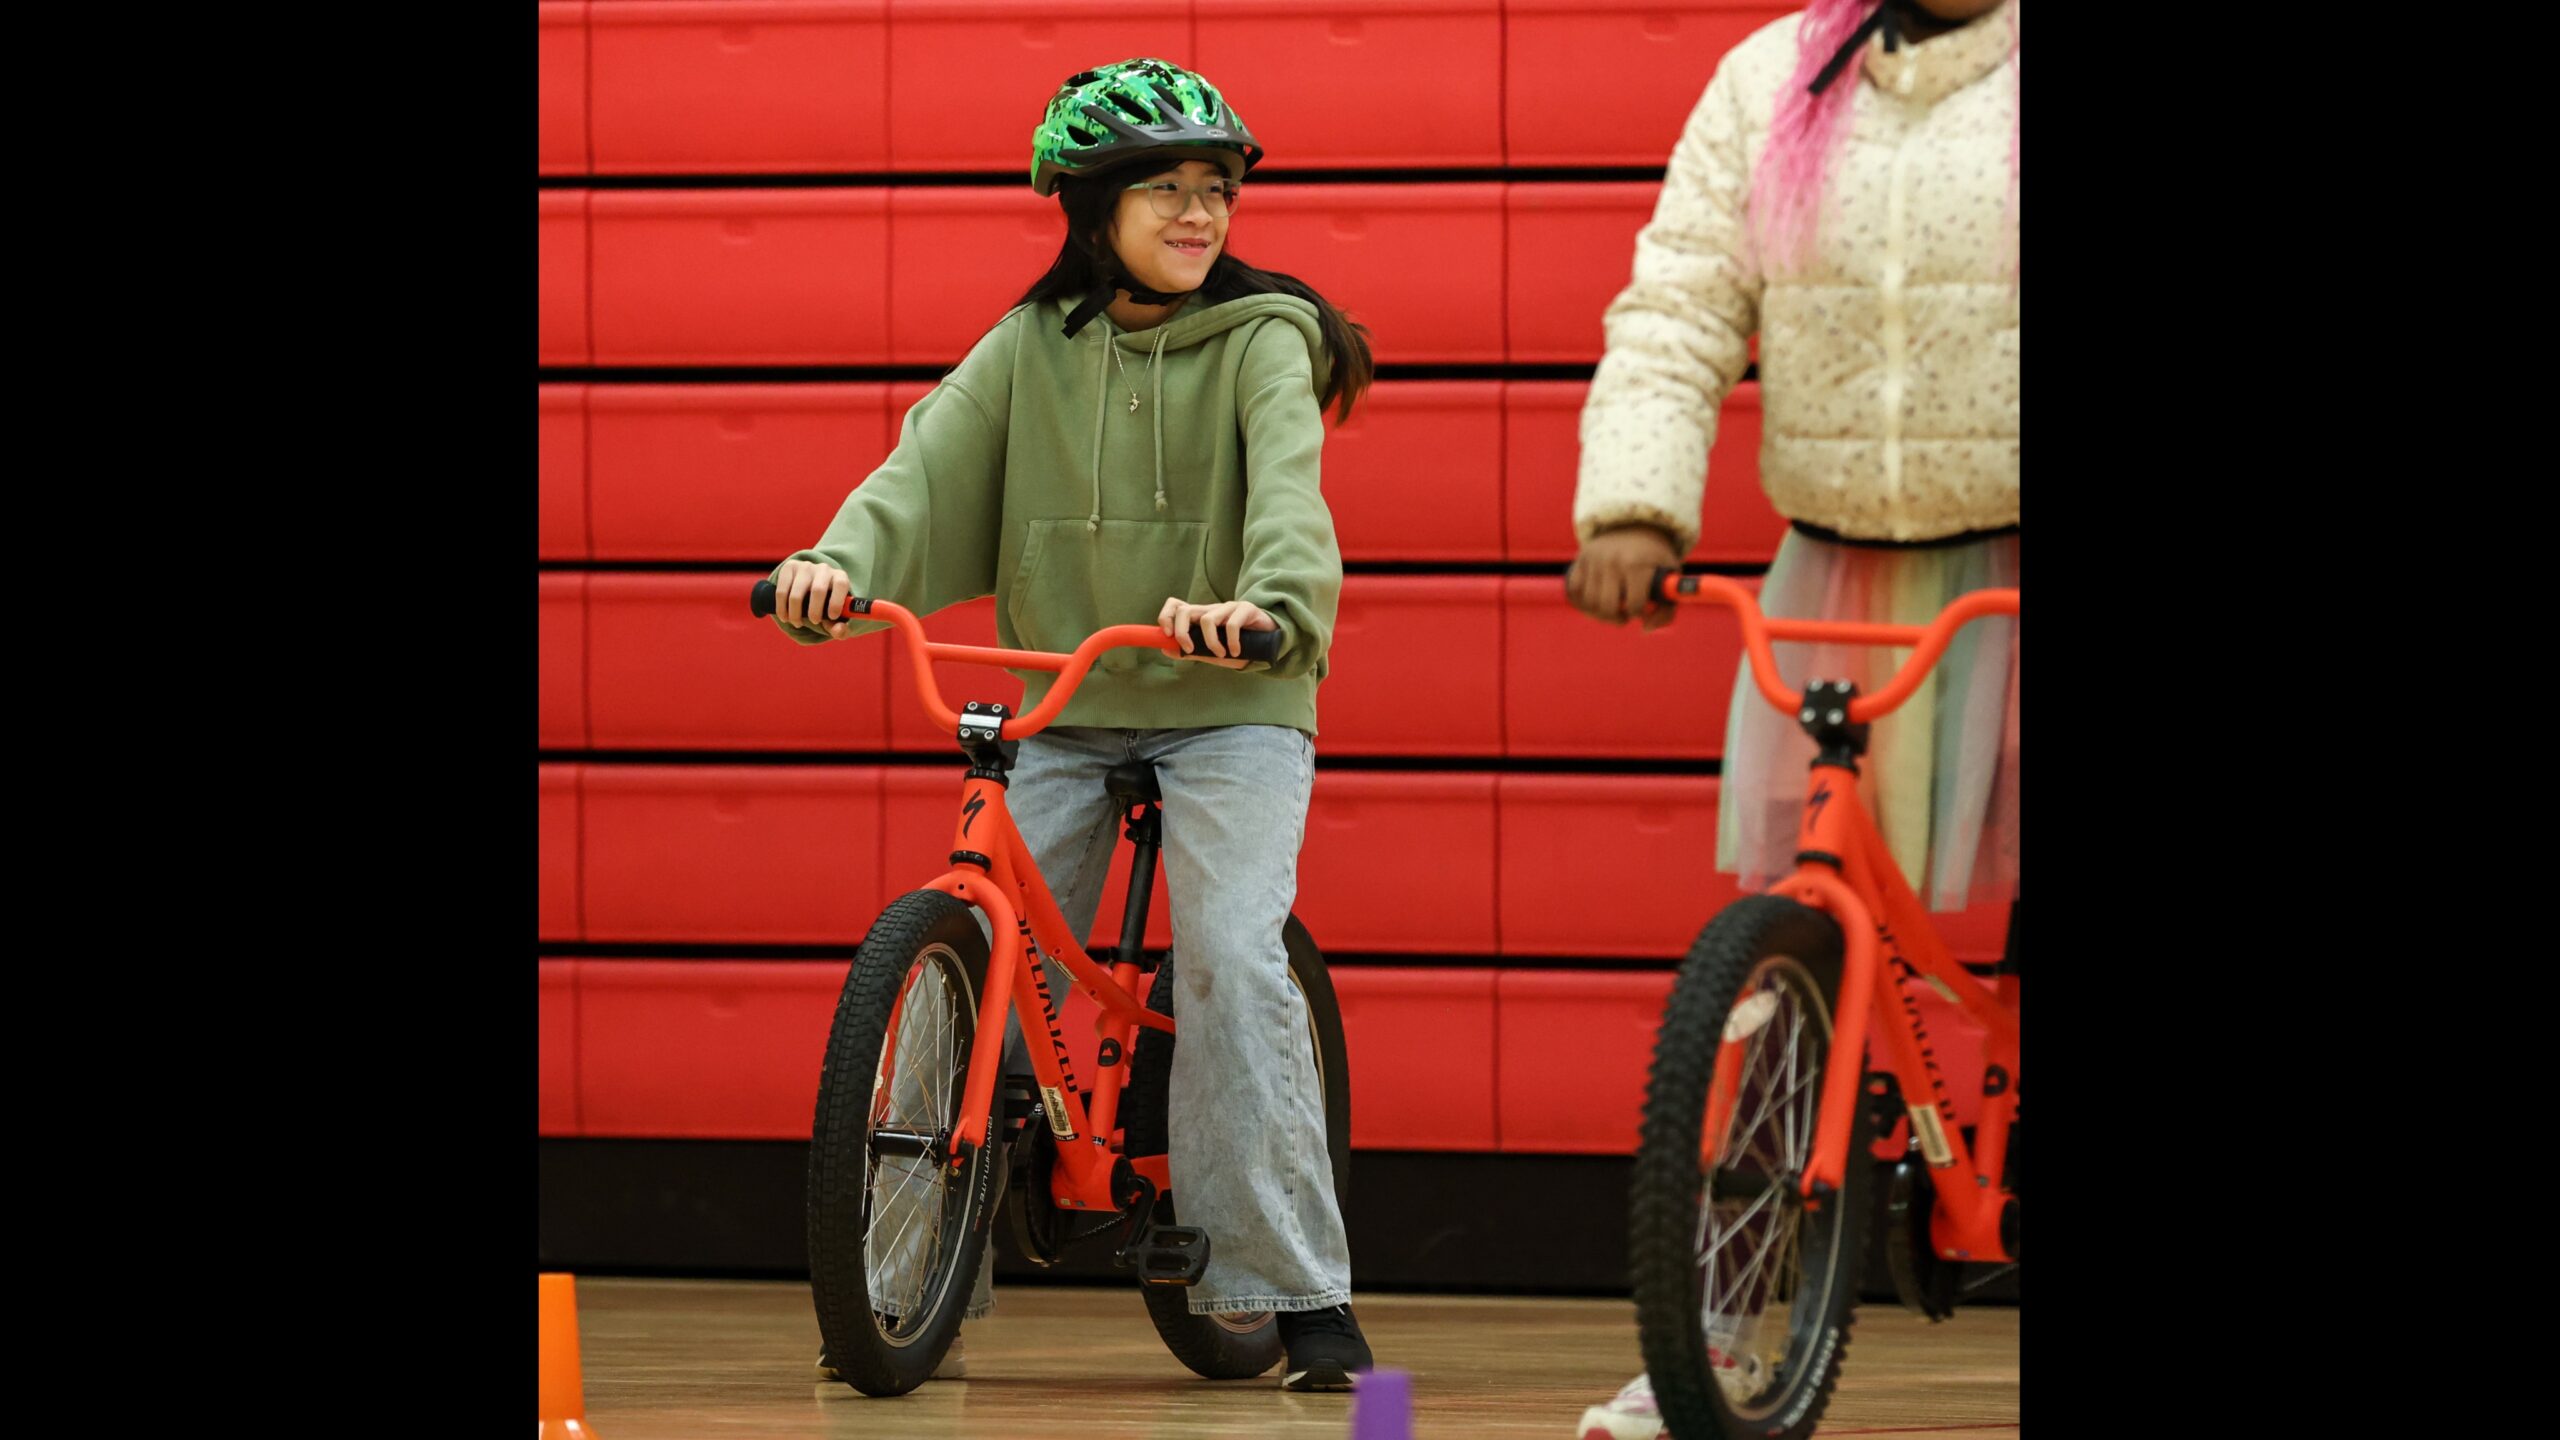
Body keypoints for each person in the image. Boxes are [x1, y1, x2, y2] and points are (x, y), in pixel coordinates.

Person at [768, 57, 1379, 1394]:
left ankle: (1294, 1289)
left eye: (1214, 188)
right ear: (1091, 206)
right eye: (1163, 187)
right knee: (983, 939)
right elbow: (920, 466)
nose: (1197, 211)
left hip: (1232, 699)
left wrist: (1268, 606)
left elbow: (1289, 494)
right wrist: (833, 564)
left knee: (1224, 955)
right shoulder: (1031, 345)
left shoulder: (1266, 336)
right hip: (1067, 693)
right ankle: (904, 1273)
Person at [1562, 3, 2019, 1435]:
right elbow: (1681, 302)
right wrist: (1634, 505)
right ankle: (1720, 1324)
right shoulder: (1772, 79)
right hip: (1839, 564)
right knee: (1798, 934)